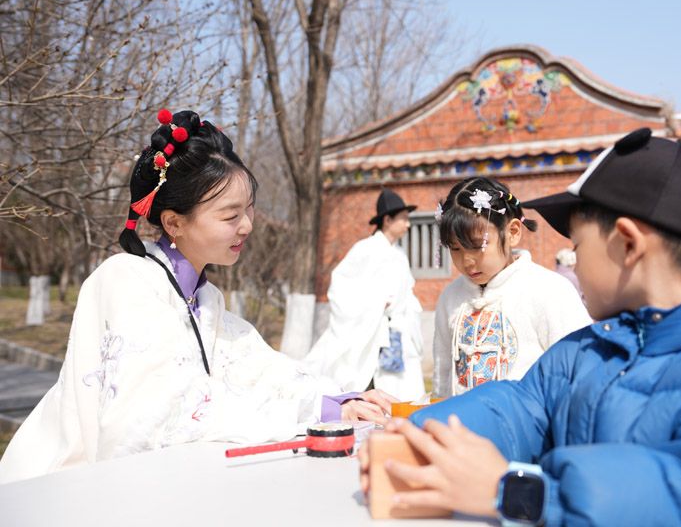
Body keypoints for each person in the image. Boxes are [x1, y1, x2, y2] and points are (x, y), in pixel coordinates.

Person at [360, 129, 681, 526]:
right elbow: (516, 409)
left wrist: (520, 493)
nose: (572, 260)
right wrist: (418, 436)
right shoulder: (587, 351)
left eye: (578, 244)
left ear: (627, 243)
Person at [0, 109, 392, 484]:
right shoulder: (125, 281)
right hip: (64, 487)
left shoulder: (206, 300)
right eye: (230, 216)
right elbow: (159, 412)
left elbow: (260, 372)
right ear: (174, 222)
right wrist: (308, 412)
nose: (247, 226)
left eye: (249, 210)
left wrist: (335, 403)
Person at [431, 177, 589, 398]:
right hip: (458, 419)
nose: (467, 260)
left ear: (513, 232)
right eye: (455, 249)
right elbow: (443, 373)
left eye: (477, 246)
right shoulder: (450, 297)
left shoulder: (549, 290)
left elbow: (579, 370)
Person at [304, 188, 425, 401]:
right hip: (367, 330)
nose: (408, 225)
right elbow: (341, 287)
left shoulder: (399, 255)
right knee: (363, 384)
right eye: (404, 219)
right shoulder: (365, 249)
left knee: (399, 388)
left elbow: (407, 291)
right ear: (387, 220)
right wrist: (376, 304)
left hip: (396, 331)